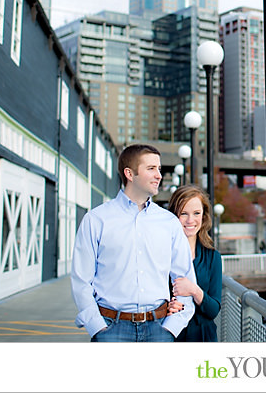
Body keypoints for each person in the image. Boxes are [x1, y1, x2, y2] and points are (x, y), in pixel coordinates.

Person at [71, 144, 196, 342]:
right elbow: (81, 280)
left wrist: (173, 327)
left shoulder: (169, 222)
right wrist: (97, 327)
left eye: (159, 169)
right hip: (110, 329)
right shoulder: (96, 220)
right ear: (130, 174)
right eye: (151, 168)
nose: (159, 175)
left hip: (159, 329)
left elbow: (184, 277)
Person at [166, 185, 222, 342]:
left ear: (204, 216)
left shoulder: (213, 257)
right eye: (184, 214)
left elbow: (213, 310)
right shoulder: (161, 255)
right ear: (174, 216)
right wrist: (165, 308)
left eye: (196, 213)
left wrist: (194, 290)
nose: (190, 220)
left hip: (203, 338)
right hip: (171, 337)